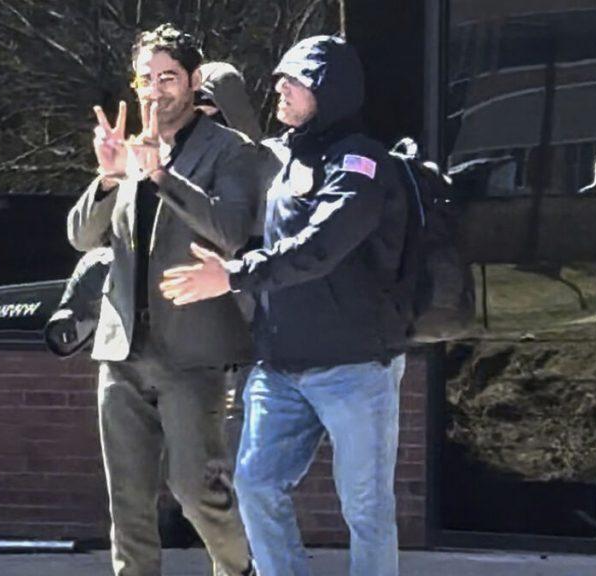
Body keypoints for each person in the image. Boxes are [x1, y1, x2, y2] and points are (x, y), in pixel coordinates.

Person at [160, 36, 411, 576]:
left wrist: (232, 275)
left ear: (328, 91)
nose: (280, 88)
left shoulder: (361, 163)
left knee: (366, 509)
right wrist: (158, 170)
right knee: (255, 485)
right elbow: (235, 187)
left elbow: (319, 247)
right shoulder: (285, 157)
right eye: (280, 79)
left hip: (355, 368)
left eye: (294, 81)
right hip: (279, 367)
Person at [67, 23, 262, 576]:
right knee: (127, 501)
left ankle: (241, 569)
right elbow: (81, 237)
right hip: (122, 348)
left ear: (194, 81)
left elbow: (231, 231)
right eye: (145, 79)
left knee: (197, 489)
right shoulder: (129, 150)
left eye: (168, 78)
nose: (155, 91)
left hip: (193, 353)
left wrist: (162, 175)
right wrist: (109, 178)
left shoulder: (230, 151)